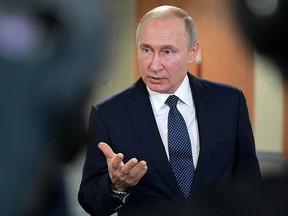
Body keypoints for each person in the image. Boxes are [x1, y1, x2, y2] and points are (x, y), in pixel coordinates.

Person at [78, 5, 261, 216]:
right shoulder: (108, 114)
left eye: (167, 51)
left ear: (192, 51)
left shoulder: (229, 102)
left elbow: (249, 182)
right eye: (146, 50)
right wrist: (116, 186)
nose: (154, 65)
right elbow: (90, 202)